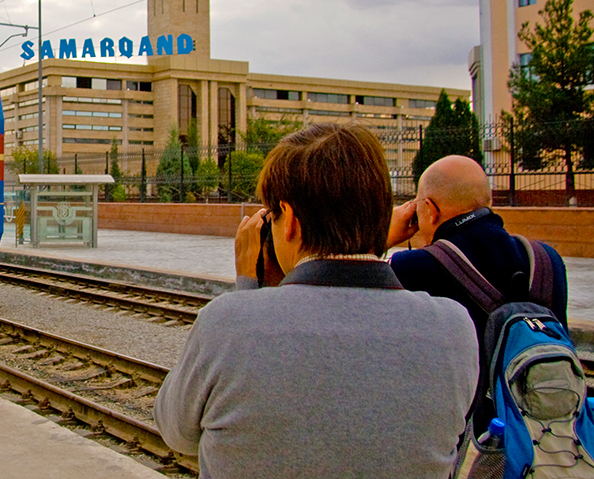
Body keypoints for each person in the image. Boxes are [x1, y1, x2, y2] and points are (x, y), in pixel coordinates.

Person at [154, 124, 479, 479]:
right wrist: (369, 245)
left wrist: (250, 287)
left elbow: (177, 433)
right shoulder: (454, 327)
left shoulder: (228, 323)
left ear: (289, 220)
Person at [386, 155, 569, 350]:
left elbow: (356, 305)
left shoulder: (411, 267)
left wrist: (382, 239)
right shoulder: (546, 260)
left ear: (431, 210)